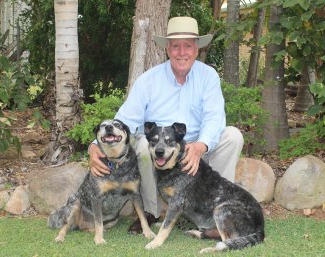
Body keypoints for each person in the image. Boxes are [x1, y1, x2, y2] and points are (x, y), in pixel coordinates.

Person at [88, 16, 244, 234]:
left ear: (197, 49)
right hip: (159, 153)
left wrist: (201, 146)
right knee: (141, 146)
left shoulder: (208, 76)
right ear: (167, 50)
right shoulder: (148, 80)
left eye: (188, 46)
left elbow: (214, 117)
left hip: (196, 151)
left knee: (233, 136)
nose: (182, 52)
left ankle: (218, 207)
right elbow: (125, 120)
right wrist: (95, 145)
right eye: (176, 46)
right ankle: (151, 212)